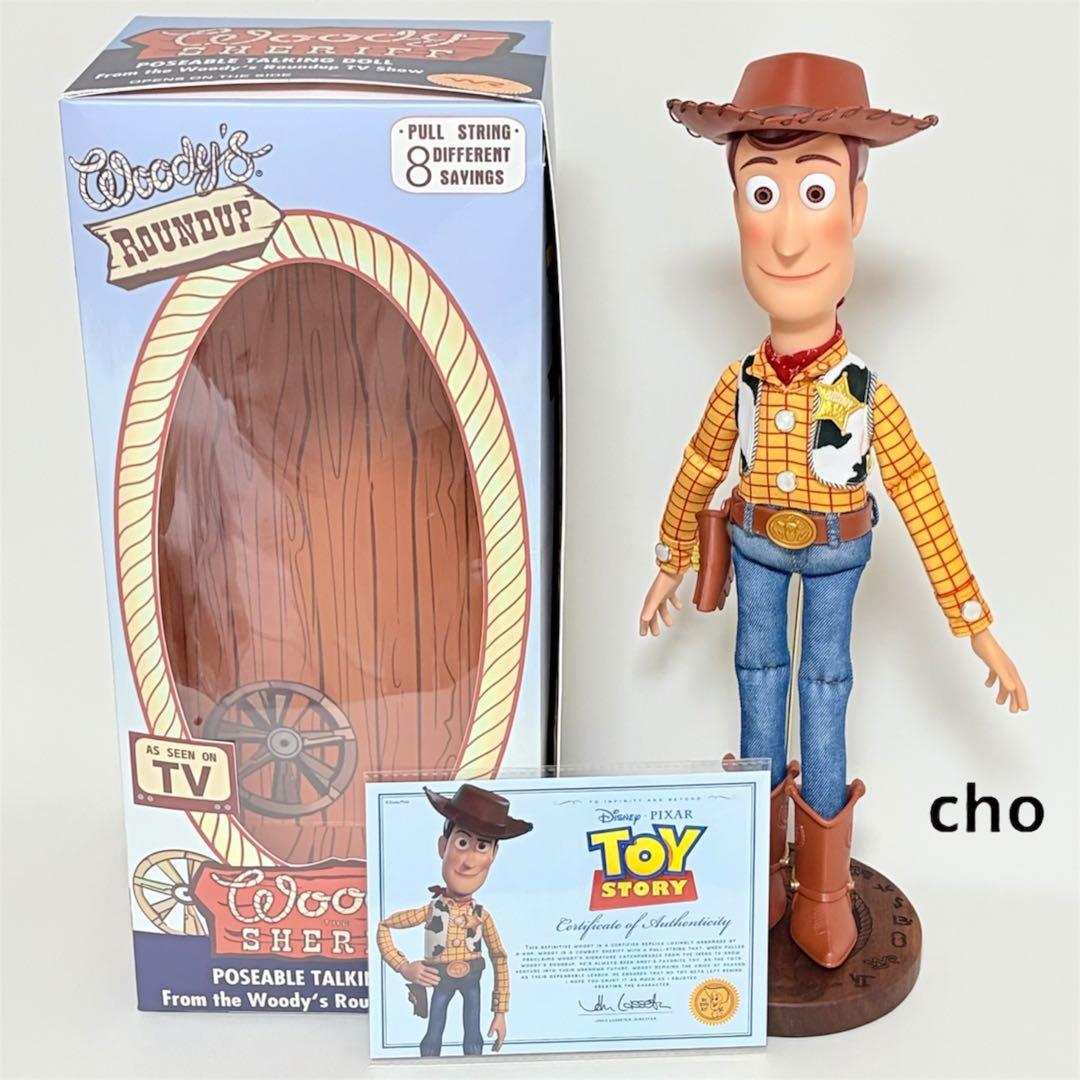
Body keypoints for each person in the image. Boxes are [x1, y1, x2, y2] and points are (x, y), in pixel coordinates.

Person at [640, 53, 1027, 968]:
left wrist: (975, 624)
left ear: (856, 208)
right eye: (760, 193)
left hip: (837, 553)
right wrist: (670, 560)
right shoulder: (737, 384)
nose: (785, 239)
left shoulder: (863, 392)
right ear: (736, 210)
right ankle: (759, 872)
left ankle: (820, 887)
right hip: (753, 547)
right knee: (756, 679)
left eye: (814, 192)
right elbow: (699, 466)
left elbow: (919, 493)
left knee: (824, 687)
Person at [376, 783, 532, 1055]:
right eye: (462, 843)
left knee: (473, 1033)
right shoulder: (430, 910)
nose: (469, 862)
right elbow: (384, 926)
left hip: (473, 976)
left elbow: (499, 957)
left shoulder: (482, 916)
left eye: (482, 846)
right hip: (439, 977)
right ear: (443, 846)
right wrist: (404, 967)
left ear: (493, 855)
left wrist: (500, 1012)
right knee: (433, 1031)